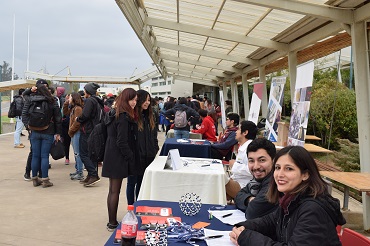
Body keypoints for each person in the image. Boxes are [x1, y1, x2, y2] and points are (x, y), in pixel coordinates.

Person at [230, 145, 346, 246]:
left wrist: (247, 238)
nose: (280, 174)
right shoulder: (290, 200)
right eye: (277, 168)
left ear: (305, 175)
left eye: (289, 169)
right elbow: (269, 222)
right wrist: (243, 227)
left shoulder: (312, 210)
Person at [102, 88, 139, 231]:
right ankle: (112, 223)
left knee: (112, 190)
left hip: (110, 153)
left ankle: (111, 221)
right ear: (125, 99)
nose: (134, 103)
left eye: (136, 100)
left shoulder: (113, 112)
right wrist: (130, 157)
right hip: (118, 155)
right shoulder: (123, 116)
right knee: (115, 190)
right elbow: (122, 141)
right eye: (132, 100)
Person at [22, 84, 62, 188]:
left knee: (35, 155)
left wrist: (28, 127)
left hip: (34, 131)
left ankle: (35, 178)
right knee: (44, 156)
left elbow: (24, 114)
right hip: (48, 131)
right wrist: (58, 133)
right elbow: (58, 118)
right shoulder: (52, 100)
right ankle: (45, 180)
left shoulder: (30, 99)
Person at [127, 90, 159, 205]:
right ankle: (130, 208)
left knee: (142, 183)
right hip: (135, 156)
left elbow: (154, 135)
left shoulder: (151, 115)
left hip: (148, 155)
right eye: (145, 100)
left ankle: (139, 206)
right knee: (132, 183)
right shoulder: (132, 116)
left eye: (149, 100)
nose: (147, 103)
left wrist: (154, 149)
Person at [235, 138, 278, 219]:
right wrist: (250, 199)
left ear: (274, 160)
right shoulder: (256, 181)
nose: (256, 166)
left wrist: (252, 203)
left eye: (262, 160)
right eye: (251, 161)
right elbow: (238, 196)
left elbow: (252, 213)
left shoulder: (275, 183)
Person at [76, 82, 104, 187]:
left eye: (85, 90)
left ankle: (93, 174)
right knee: (91, 154)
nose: (84, 92)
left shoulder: (89, 101)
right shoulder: (98, 101)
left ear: (88, 91)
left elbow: (85, 115)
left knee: (83, 153)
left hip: (87, 130)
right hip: (95, 130)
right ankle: (90, 175)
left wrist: (78, 119)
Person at [22, 79, 49, 181]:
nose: (45, 88)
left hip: (45, 129)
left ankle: (41, 174)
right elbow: (24, 114)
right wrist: (28, 127)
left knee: (41, 154)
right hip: (34, 130)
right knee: (34, 153)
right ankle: (28, 172)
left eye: (46, 86)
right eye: (43, 86)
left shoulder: (49, 98)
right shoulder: (31, 98)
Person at [225, 121, 258, 201]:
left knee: (219, 180)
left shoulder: (251, 148)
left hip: (244, 185)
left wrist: (234, 165)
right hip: (237, 181)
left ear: (245, 132)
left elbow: (253, 170)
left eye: (239, 129)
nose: (236, 131)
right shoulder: (243, 147)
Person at [63, 92, 84, 180]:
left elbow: (77, 122)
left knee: (77, 153)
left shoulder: (78, 109)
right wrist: (66, 103)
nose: (69, 98)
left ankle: (80, 172)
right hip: (74, 132)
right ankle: (77, 170)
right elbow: (65, 112)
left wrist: (71, 130)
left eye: (70, 97)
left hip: (76, 132)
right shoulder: (73, 108)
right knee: (76, 153)